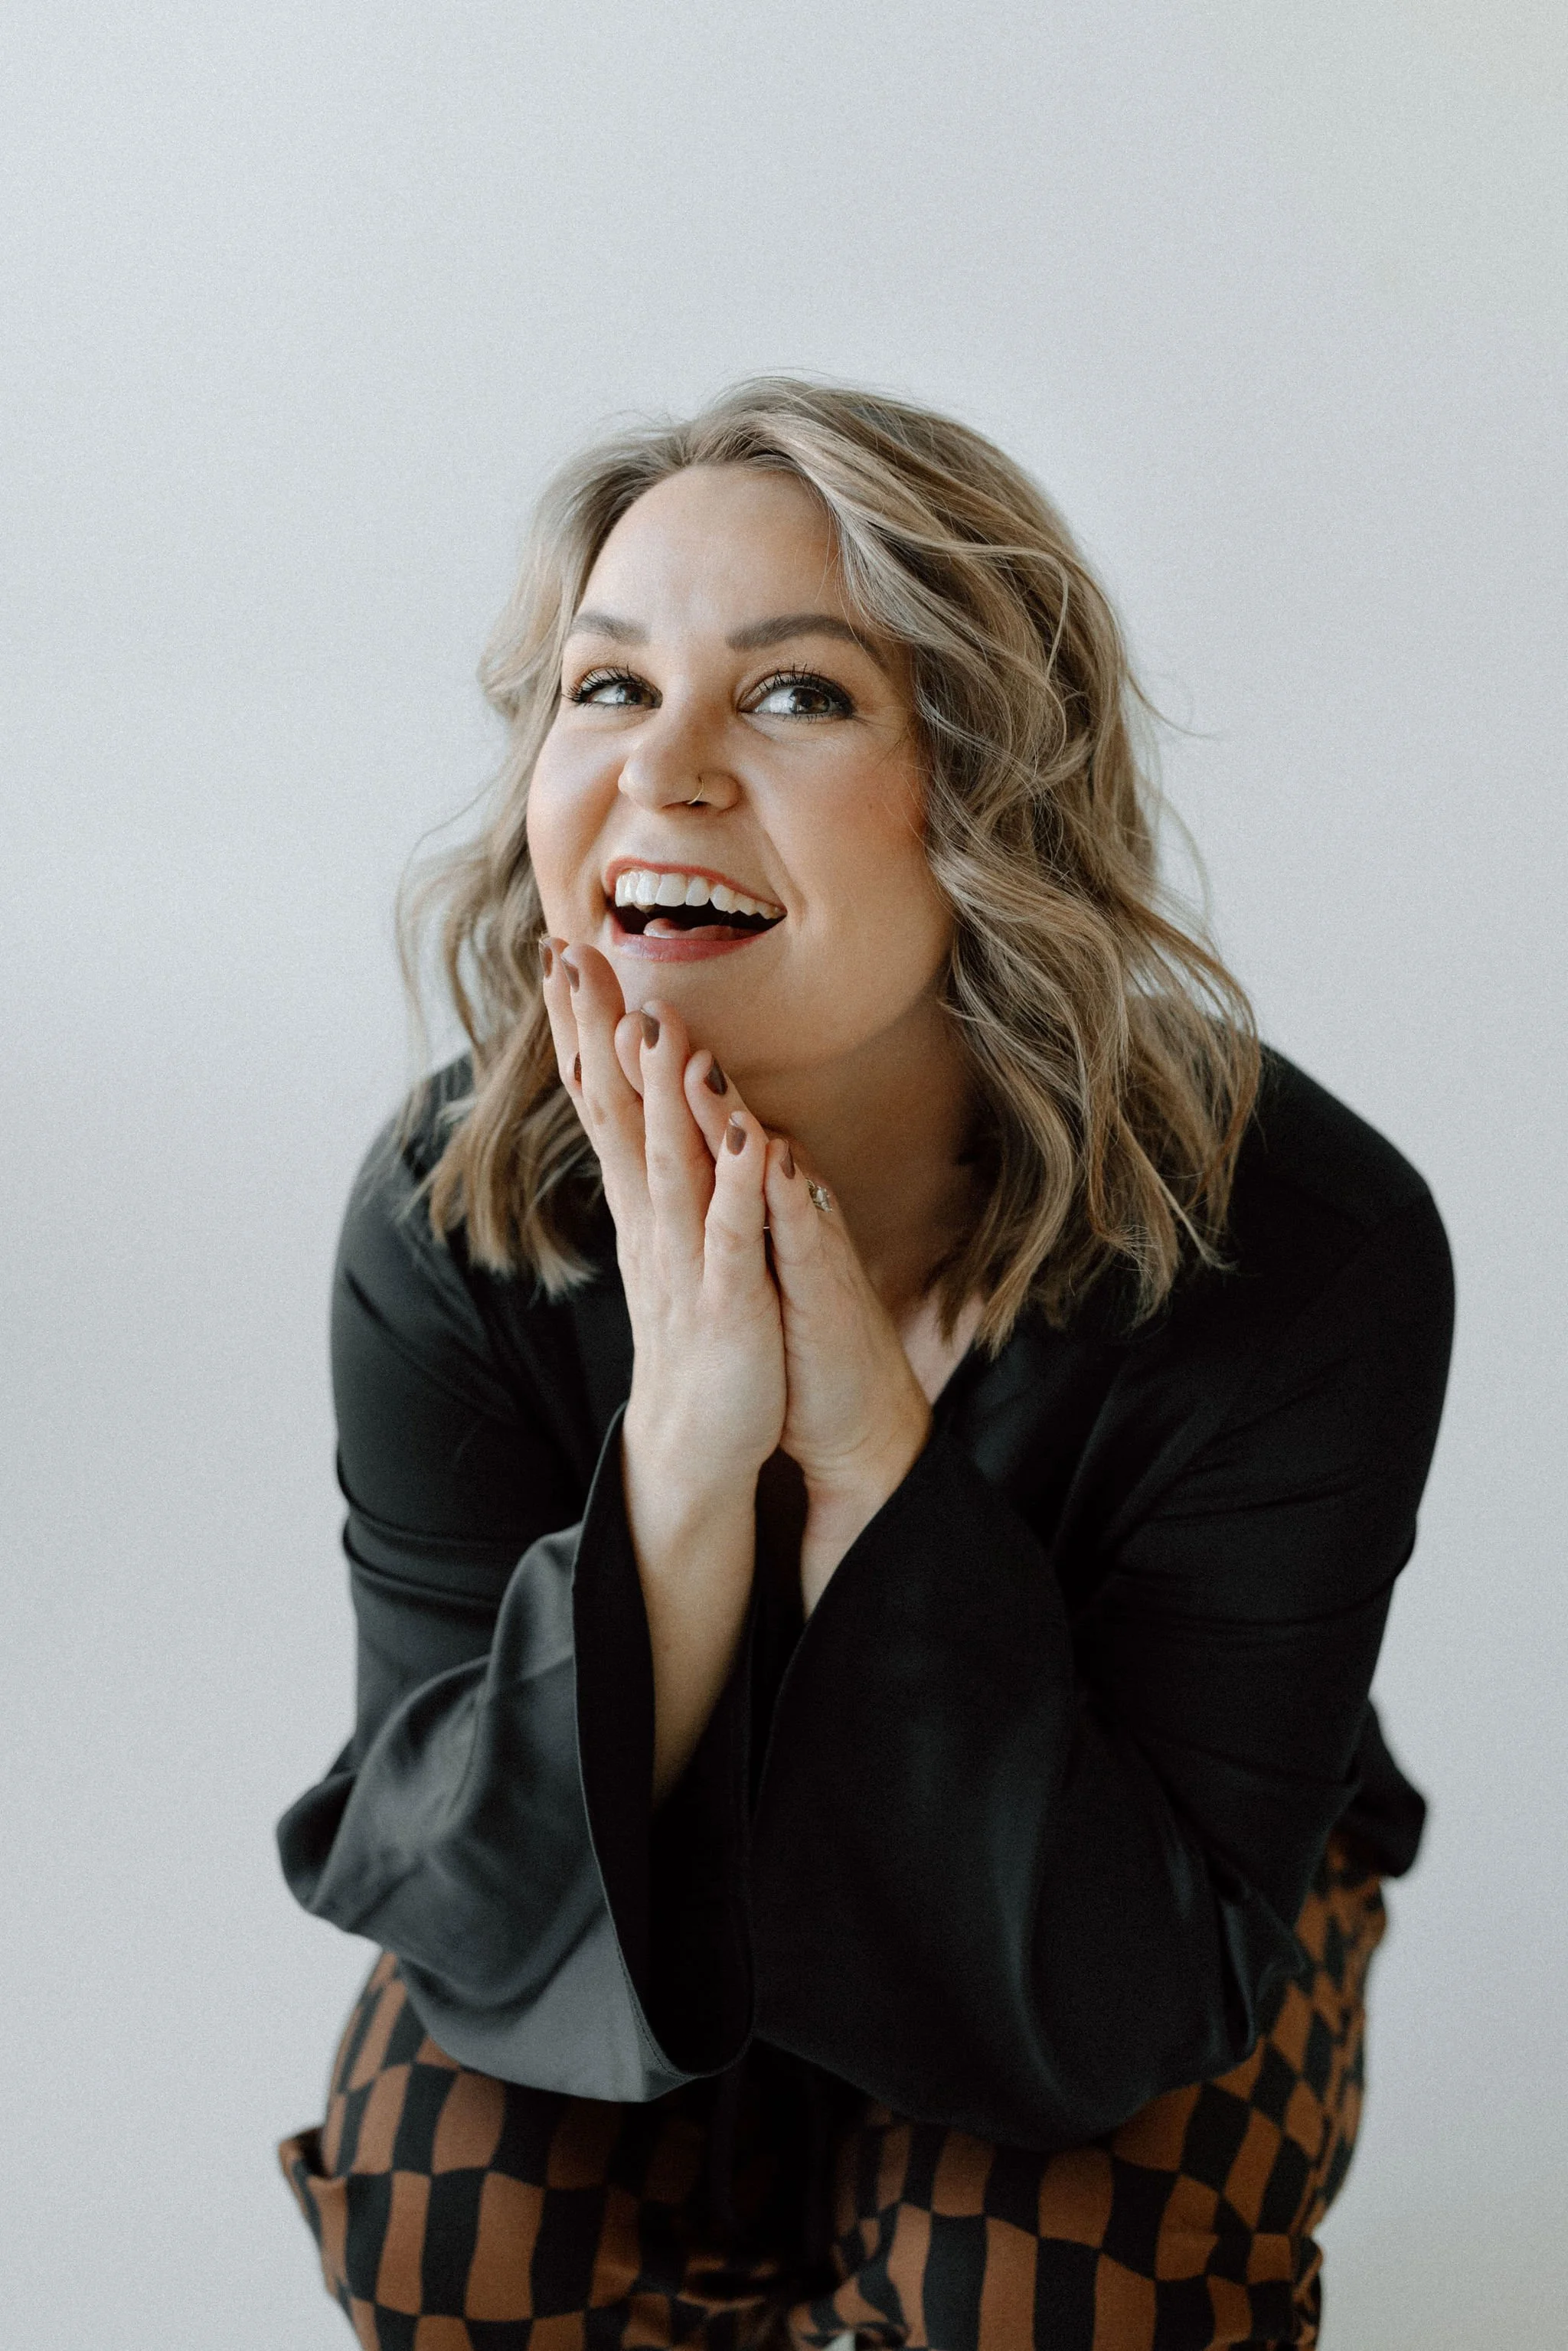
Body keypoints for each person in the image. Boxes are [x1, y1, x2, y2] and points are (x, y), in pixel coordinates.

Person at [276, 378, 1452, 2351]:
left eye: (799, 694)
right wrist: (685, 1461)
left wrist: (872, 1455)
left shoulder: (1306, 1247)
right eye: (605, 689)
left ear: (991, 795)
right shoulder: (444, 1215)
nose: (667, 771)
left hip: (1109, 1884)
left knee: (1048, 2292)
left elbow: (1128, 1978)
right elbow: (457, 1890)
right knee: (450, 2221)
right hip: (635, 1867)